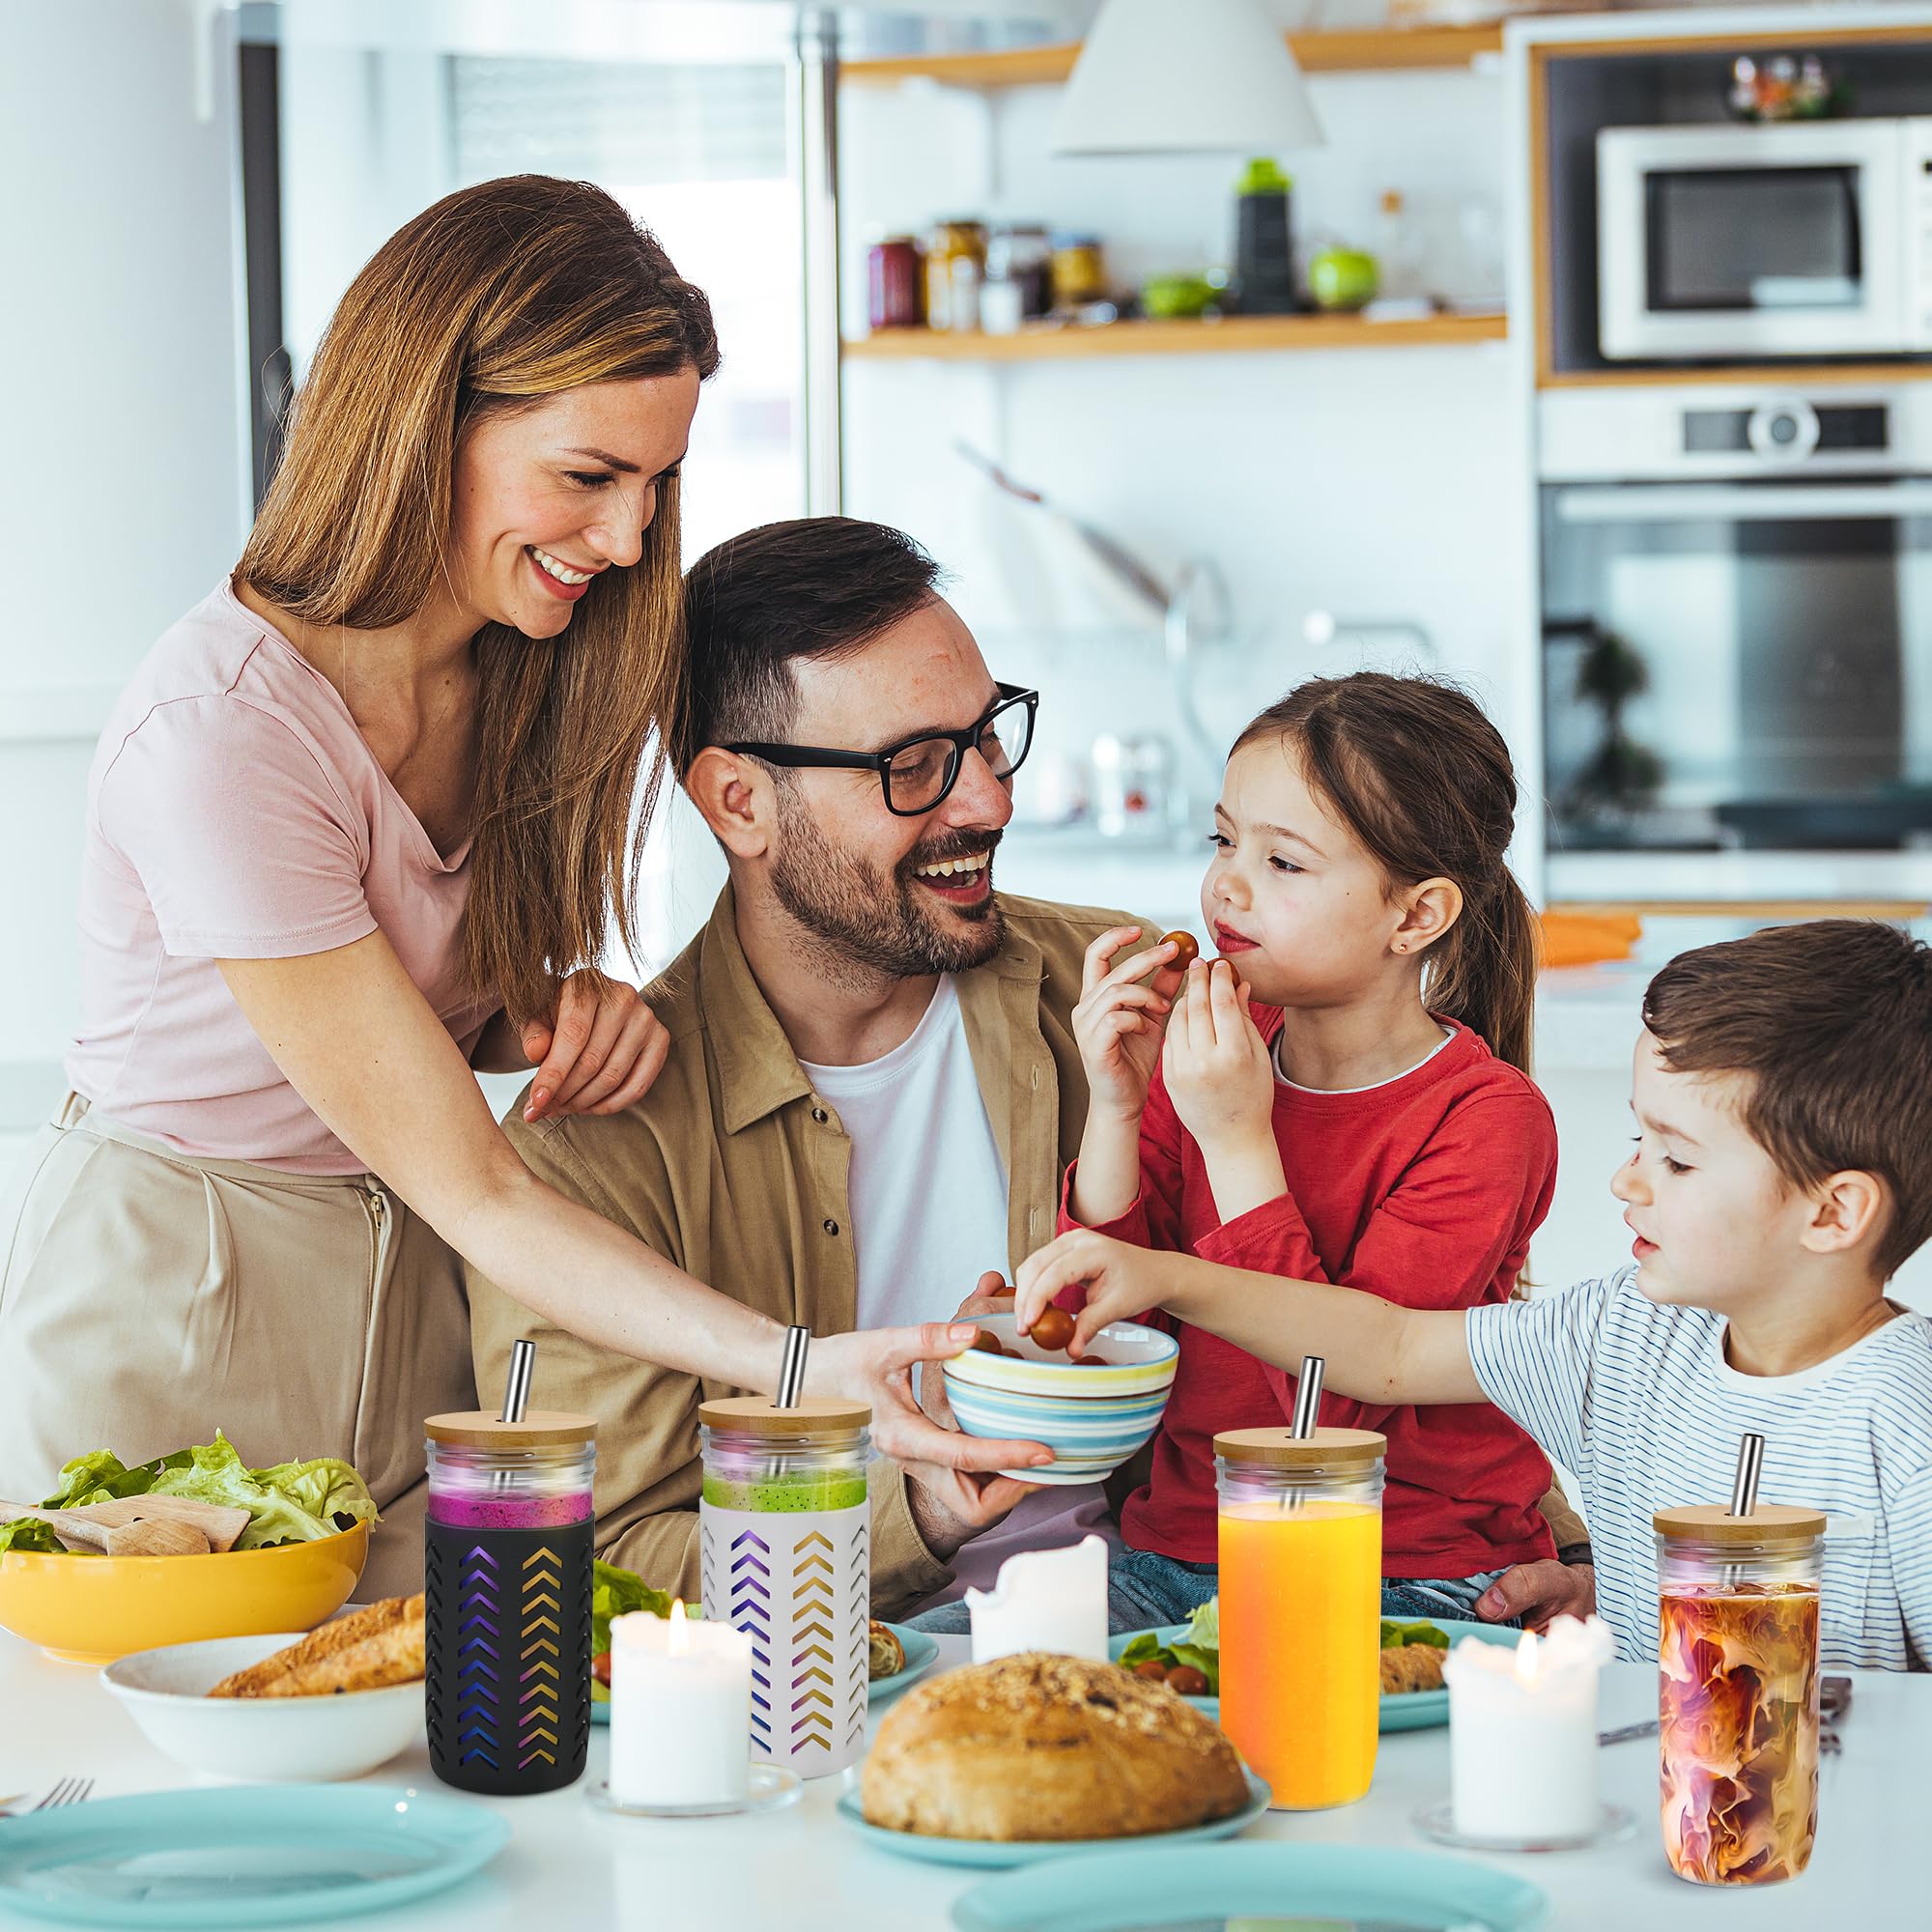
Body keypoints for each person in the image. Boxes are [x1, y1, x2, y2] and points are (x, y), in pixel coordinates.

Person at [0, 181, 1027, 1596]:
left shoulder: (529, 663)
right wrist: (806, 1366)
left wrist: (536, 1011)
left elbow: (411, 1029)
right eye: (588, 477)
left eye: (656, 485)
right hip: (191, 1283)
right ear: (430, 425)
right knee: (178, 1749)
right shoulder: (223, 736)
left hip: (411, 1274)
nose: (625, 539)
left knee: (415, 1739)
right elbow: (480, 1184)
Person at [466, 520, 1591, 1627]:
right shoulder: (589, 1143)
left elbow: (1414, 1330)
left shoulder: (1143, 998)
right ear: (737, 802)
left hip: (1242, 1605)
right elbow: (604, 1560)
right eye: (912, 766)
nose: (988, 801)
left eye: (987, 735)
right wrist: (918, 1509)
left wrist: (1577, 1559)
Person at [1019, 919, 1932, 1667]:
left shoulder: (1907, 1421)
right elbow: (1386, 1350)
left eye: (1678, 1160)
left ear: (1834, 1212)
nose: (1628, 1184)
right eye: (1637, 1142)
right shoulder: (1618, 1331)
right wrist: (1166, 1274)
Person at [1039, 673, 1571, 1634]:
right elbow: (1105, 1311)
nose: (1225, 885)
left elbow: (1328, 1417)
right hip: (1178, 1550)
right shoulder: (1216, 1051)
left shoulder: (1487, 1119)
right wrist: (1114, 1102)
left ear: (1414, 916)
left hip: (1397, 1567)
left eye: (1282, 862)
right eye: (1222, 839)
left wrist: (1238, 1137)